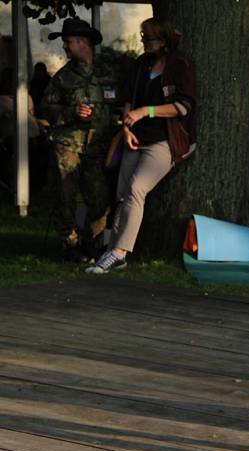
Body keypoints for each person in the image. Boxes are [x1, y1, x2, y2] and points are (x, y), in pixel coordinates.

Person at [86, 17, 196, 274]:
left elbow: (182, 107)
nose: (144, 41)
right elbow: (127, 100)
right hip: (135, 137)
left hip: (164, 140)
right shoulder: (140, 64)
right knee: (122, 193)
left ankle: (118, 251)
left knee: (137, 189)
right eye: (143, 36)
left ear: (164, 40)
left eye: (148, 38)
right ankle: (114, 251)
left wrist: (145, 112)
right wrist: (125, 128)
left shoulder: (181, 65)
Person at [41, 18, 120, 261]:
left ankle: (91, 243)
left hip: (99, 147)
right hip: (69, 146)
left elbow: (120, 103)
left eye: (68, 42)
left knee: (99, 198)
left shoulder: (108, 72)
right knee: (64, 197)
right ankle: (70, 245)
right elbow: (46, 109)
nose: (65, 46)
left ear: (83, 42)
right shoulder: (63, 78)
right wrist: (71, 113)